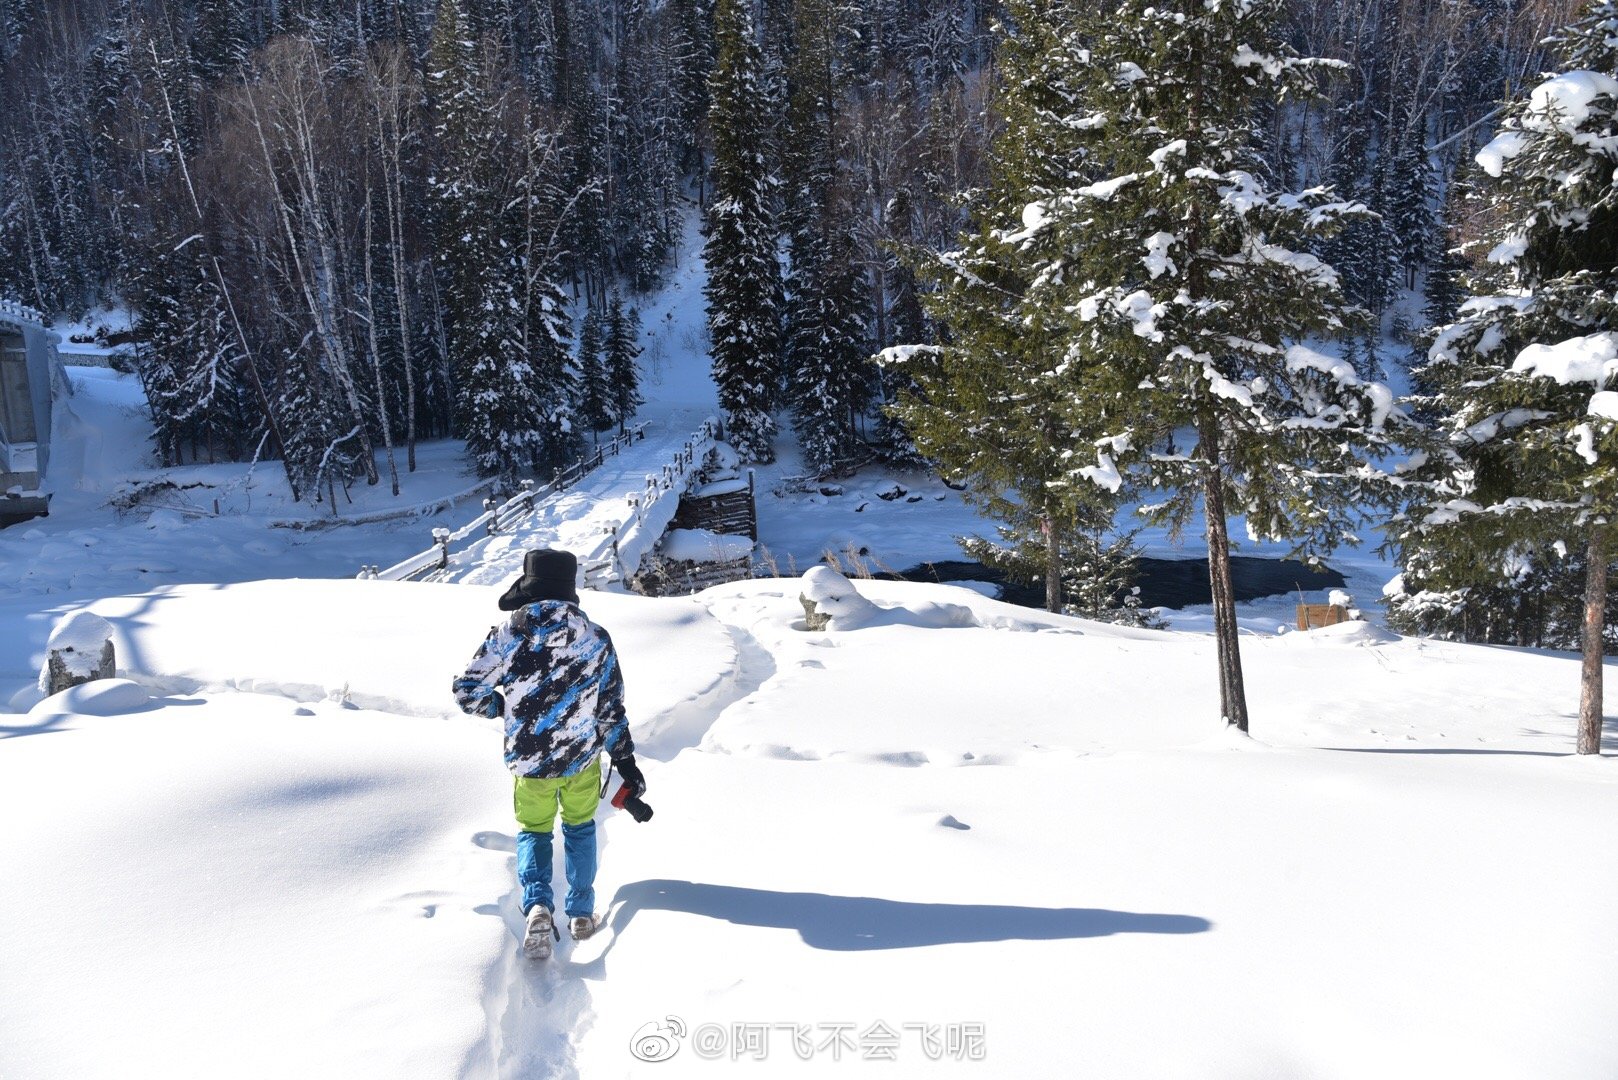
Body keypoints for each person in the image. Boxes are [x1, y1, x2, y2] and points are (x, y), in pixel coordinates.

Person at [453, 548, 647, 959]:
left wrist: (503, 709)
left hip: (529, 763)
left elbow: (468, 693)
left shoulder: (508, 633)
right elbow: (610, 710)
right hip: (580, 759)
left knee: (535, 832)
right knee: (579, 830)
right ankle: (580, 912)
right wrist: (625, 759)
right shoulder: (595, 637)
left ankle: (539, 904)